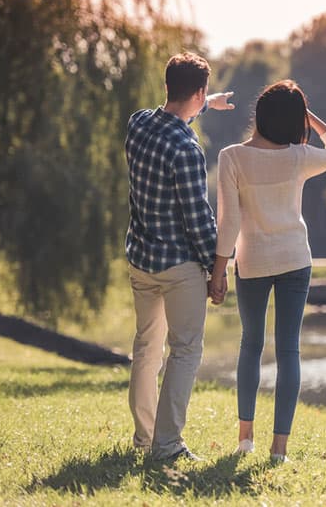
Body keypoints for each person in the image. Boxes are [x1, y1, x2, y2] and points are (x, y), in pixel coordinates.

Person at [209, 80, 326, 463]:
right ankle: (279, 450)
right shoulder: (299, 156)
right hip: (295, 261)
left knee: (250, 345)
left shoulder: (232, 157)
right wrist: (312, 119)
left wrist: (218, 272)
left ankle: (245, 439)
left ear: (259, 114)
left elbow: (228, 222)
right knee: (289, 351)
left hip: (252, 261)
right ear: (295, 120)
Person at [125, 52, 234, 461]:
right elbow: (198, 219)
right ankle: (167, 446)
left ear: (167, 85)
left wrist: (209, 102)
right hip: (177, 267)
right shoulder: (187, 150)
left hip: (141, 259)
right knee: (185, 349)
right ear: (198, 91)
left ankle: (145, 437)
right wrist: (219, 269)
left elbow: (176, 115)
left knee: (146, 348)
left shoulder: (137, 123)